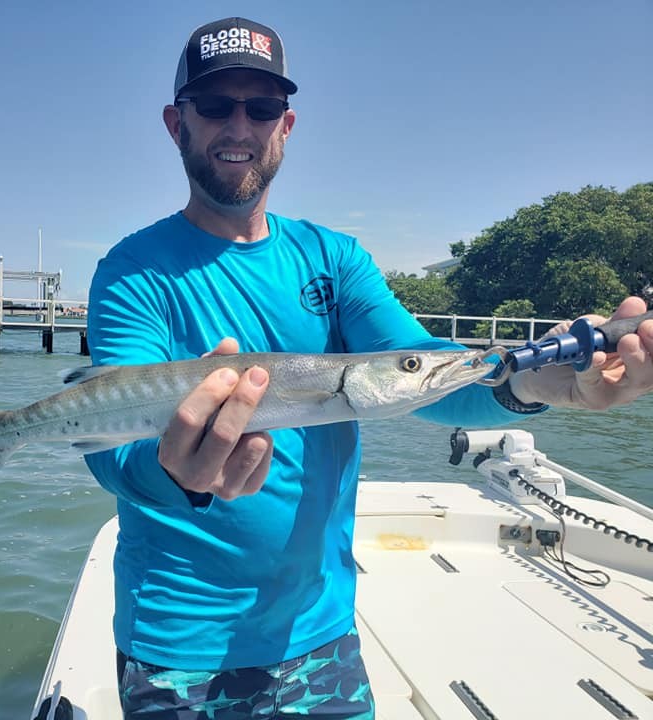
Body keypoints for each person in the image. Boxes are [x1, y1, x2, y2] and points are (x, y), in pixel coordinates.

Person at [83, 16, 653, 719]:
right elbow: (109, 444)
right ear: (177, 123)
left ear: (286, 126)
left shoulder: (336, 259)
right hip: (179, 641)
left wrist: (536, 382)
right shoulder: (133, 273)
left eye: (260, 108)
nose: (239, 126)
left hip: (321, 630)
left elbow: (430, 382)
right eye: (215, 105)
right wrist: (177, 474)